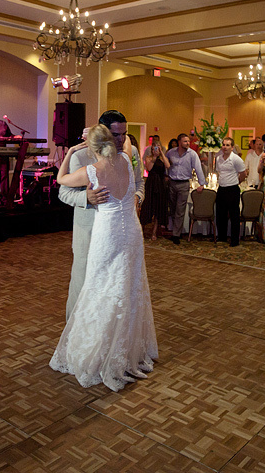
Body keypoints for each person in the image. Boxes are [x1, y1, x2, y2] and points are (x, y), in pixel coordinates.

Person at [50, 125, 157, 392]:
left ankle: (102, 351)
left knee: (99, 289)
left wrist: (71, 150)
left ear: (91, 148)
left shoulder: (92, 170)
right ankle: (127, 350)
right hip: (132, 232)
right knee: (128, 288)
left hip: (107, 235)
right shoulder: (125, 157)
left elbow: (60, 180)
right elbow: (129, 143)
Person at [58, 110, 145, 321]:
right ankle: (76, 330)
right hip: (89, 231)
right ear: (102, 133)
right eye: (116, 135)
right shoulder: (81, 155)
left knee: (117, 286)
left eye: (124, 134)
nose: (121, 139)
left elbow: (139, 182)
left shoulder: (129, 153)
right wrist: (85, 198)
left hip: (121, 233)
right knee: (83, 283)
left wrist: (137, 197)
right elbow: (63, 191)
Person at [166, 133, 206, 245]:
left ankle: (176, 235)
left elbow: (198, 168)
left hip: (184, 184)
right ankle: (174, 230)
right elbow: (166, 163)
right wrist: (165, 176)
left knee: (180, 209)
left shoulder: (192, 154)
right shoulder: (171, 152)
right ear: (179, 142)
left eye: (188, 141)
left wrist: (201, 183)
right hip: (172, 182)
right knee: (173, 208)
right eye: (185, 141)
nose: (188, 143)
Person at [215, 137, 247, 246]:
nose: (225, 147)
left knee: (234, 216)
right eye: (223, 145)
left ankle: (234, 240)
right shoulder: (218, 158)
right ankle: (222, 237)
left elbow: (243, 174)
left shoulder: (236, 159)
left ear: (232, 147)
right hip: (221, 189)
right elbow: (219, 172)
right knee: (220, 214)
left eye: (228, 145)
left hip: (232, 189)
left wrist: (236, 182)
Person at [140, 135, 169, 240]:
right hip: (151, 183)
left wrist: (161, 154)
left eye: (156, 148)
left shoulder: (162, 157)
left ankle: (154, 232)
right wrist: (155, 157)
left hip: (160, 184)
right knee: (147, 207)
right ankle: (142, 230)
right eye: (153, 148)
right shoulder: (149, 158)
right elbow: (149, 168)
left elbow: (168, 165)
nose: (154, 150)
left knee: (158, 208)